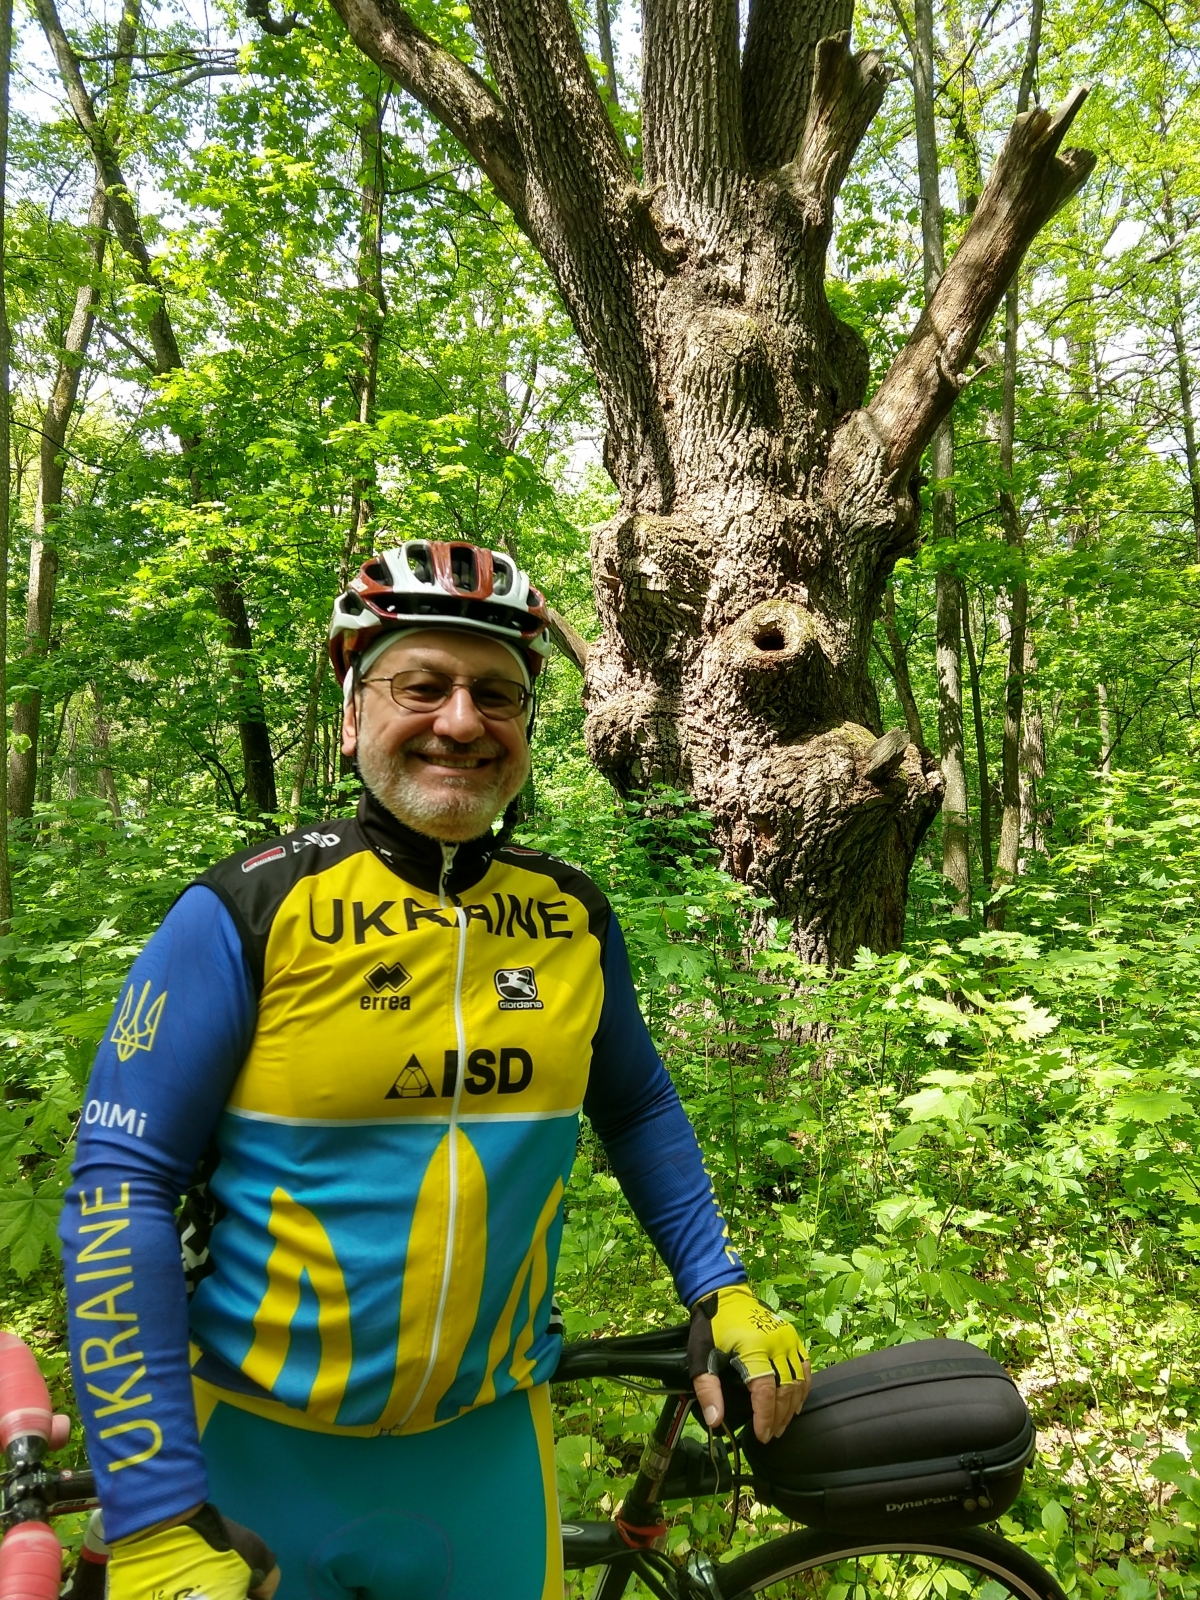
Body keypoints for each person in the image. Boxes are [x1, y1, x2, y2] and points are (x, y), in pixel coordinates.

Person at [60, 540, 810, 1600]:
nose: (461, 721)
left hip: (487, 1454)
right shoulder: (248, 910)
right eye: (423, 686)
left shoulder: (571, 916)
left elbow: (637, 1106)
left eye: (496, 695)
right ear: (353, 709)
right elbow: (118, 1187)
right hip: (252, 1456)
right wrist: (149, 1507)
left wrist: (718, 1285)